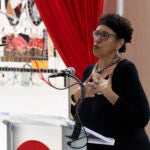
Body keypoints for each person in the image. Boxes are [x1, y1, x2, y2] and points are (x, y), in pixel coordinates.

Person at [71, 13, 150, 150]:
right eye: (97, 33)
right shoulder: (89, 71)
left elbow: (141, 118)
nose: (97, 39)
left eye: (105, 35)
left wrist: (108, 93)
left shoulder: (125, 70)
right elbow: (80, 116)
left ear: (119, 43)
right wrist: (77, 95)